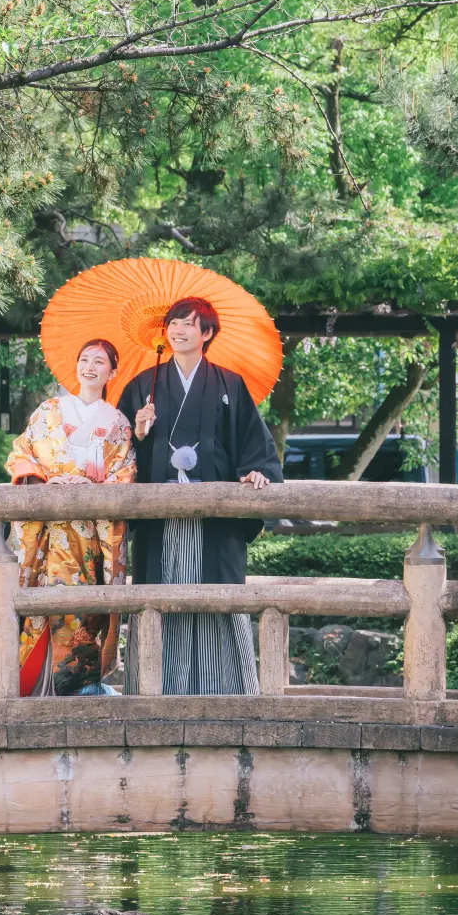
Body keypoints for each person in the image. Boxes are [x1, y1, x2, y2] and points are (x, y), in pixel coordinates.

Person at [115, 297, 283, 694]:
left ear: (207, 333)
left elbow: (254, 446)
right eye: (174, 322)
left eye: (190, 324)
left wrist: (256, 473)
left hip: (216, 519)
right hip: (160, 518)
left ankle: (225, 692)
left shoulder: (230, 384)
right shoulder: (143, 386)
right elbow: (117, 454)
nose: (179, 330)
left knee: (217, 598)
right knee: (159, 597)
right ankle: (154, 690)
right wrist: (138, 434)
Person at [5, 339, 137, 696]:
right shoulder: (49, 410)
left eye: (99, 361)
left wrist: (90, 485)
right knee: (35, 602)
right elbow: (22, 451)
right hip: (45, 526)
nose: (89, 367)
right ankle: (33, 684)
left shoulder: (118, 423)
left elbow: (124, 473)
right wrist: (48, 479)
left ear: (113, 370)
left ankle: (75, 686)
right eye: (84, 359)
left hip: (88, 531)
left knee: (80, 608)